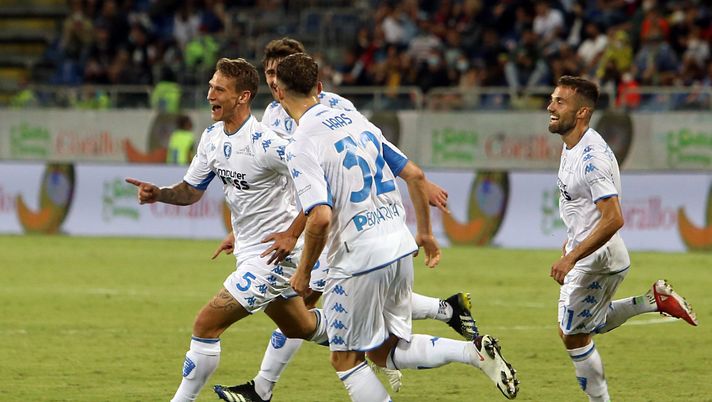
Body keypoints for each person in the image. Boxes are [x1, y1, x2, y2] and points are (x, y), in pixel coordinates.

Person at [213, 37, 478, 402]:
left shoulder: (332, 110)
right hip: (339, 230)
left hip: (336, 231)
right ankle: (447, 311)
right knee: (339, 322)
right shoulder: (273, 117)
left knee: (313, 320)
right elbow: (283, 183)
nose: (274, 80)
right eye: (270, 72)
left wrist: (294, 237)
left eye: (280, 73)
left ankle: (262, 388)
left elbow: (349, 168)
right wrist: (242, 233)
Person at [281, 52, 519, 401]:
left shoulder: (302, 141)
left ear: (278, 93)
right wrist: (426, 233)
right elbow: (416, 175)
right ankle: (473, 353)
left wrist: (303, 273)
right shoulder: (359, 122)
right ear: (319, 87)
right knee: (382, 350)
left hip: (360, 256)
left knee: (345, 357)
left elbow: (319, 216)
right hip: (399, 245)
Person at [125, 57, 331, 402]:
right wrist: (159, 193)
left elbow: (323, 188)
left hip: (273, 255)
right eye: (210, 87)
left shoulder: (269, 143)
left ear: (243, 97)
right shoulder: (211, 138)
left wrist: (292, 233)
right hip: (250, 251)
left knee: (206, 324)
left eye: (219, 89)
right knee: (302, 327)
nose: (210, 95)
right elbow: (191, 191)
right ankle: (375, 336)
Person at [547, 75, 698, 402]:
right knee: (580, 327)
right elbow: (582, 206)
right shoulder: (572, 142)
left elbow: (614, 217)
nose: (551, 107)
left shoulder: (592, 160)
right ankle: (652, 300)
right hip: (594, 252)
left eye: (560, 102)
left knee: (573, 335)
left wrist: (571, 257)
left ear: (582, 112)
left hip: (596, 259)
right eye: (552, 99)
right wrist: (571, 239)